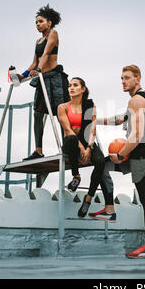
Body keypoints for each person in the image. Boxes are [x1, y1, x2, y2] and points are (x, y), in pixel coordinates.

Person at [97, 65, 145, 258]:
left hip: (140, 156)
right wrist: (95, 120)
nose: (123, 81)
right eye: (121, 78)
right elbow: (119, 119)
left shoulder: (137, 100)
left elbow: (137, 135)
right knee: (101, 165)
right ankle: (110, 209)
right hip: (135, 154)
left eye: (127, 78)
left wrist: (121, 155)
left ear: (137, 78)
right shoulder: (138, 100)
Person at [57, 77, 116, 221]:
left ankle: (88, 199)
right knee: (71, 139)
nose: (71, 88)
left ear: (83, 89)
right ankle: (76, 176)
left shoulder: (90, 105)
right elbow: (68, 130)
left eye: (75, 85)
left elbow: (92, 130)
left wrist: (89, 147)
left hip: (86, 140)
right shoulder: (63, 107)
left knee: (100, 161)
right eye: (70, 85)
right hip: (70, 143)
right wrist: (82, 147)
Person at [19, 4, 70, 161]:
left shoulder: (53, 34)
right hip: (42, 80)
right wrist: (23, 75)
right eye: (36, 22)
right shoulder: (37, 41)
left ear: (49, 22)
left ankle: (66, 148)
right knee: (37, 114)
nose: (38, 24)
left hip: (54, 79)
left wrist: (39, 70)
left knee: (61, 114)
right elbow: (35, 62)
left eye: (40, 21)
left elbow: (47, 53)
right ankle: (38, 150)